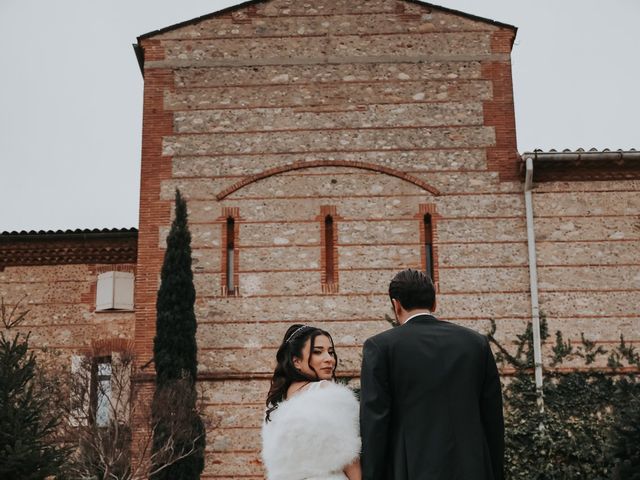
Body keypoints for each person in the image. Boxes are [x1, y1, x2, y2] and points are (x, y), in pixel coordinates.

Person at [360, 269, 504, 480]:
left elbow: (375, 422)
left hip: (411, 468)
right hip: (473, 468)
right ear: (434, 302)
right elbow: (492, 418)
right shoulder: (476, 343)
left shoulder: (380, 347)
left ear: (396, 305)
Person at [262, 324, 362, 480]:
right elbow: (349, 456)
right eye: (318, 352)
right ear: (296, 361)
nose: (329, 359)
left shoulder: (275, 404)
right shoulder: (326, 391)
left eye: (330, 352)